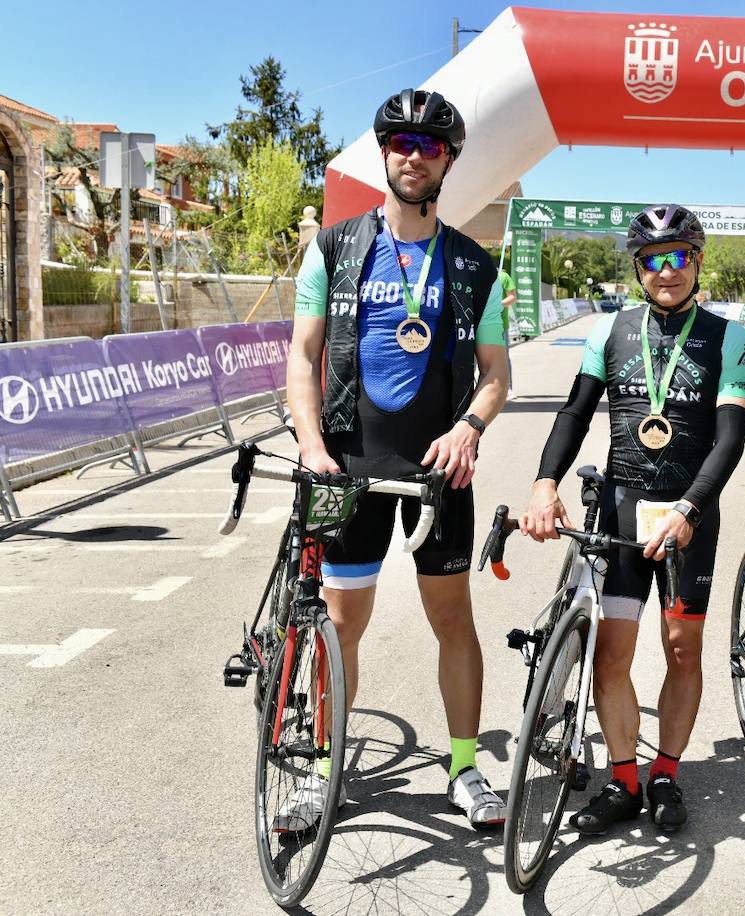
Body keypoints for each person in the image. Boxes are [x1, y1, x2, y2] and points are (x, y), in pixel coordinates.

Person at [284, 88, 510, 830]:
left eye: (431, 146)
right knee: (341, 627)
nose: (415, 156)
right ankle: (322, 769)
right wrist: (314, 447)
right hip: (349, 465)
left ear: (449, 160)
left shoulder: (475, 267)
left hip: (437, 474)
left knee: (454, 623)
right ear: (385, 153)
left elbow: (498, 373)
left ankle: (467, 769)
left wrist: (470, 427)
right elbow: (303, 356)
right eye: (402, 144)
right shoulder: (334, 246)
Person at [521, 204, 745, 835]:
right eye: (653, 260)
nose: (666, 271)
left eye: (678, 257)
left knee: (682, 652)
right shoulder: (611, 331)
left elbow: (729, 440)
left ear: (697, 262)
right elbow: (572, 415)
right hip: (623, 511)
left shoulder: (728, 338)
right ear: (638, 269)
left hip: (688, 518)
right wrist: (546, 484)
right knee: (611, 657)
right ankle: (625, 778)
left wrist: (689, 510)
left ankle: (668, 774)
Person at [497, 267, 518, 395]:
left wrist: (498, 304)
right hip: (480, 324)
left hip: (501, 325)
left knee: (504, 357)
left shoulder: (503, 276)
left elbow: (512, 297)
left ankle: (508, 388)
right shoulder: (478, 274)